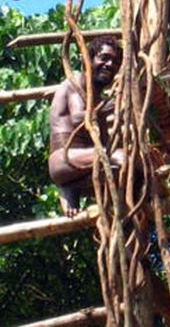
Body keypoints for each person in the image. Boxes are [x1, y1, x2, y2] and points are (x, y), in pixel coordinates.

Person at [48, 35, 123, 216]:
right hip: (64, 158)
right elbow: (79, 118)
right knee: (123, 157)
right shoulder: (78, 80)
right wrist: (114, 104)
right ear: (88, 59)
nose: (110, 65)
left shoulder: (97, 98)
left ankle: (70, 188)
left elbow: (104, 144)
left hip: (82, 164)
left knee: (128, 166)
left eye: (115, 62)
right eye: (104, 58)